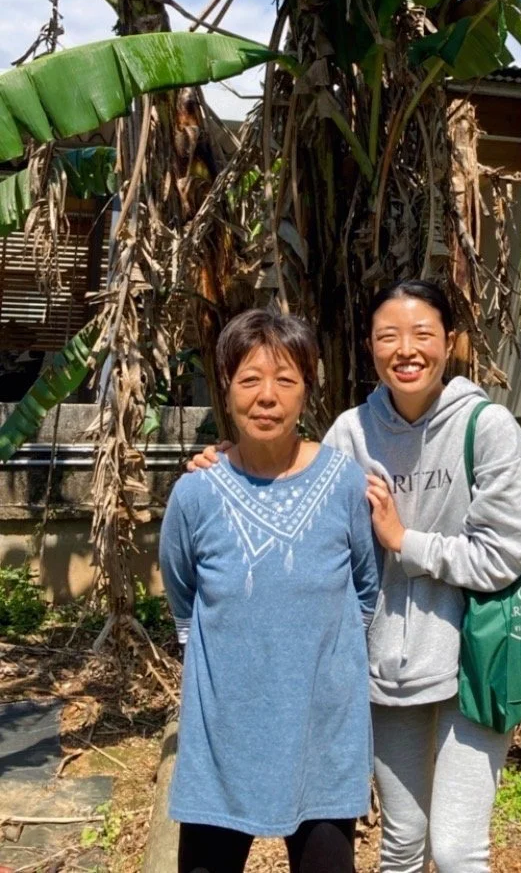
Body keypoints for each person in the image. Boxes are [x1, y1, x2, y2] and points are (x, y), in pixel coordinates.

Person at [189, 280, 521, 873]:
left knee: (456, 850)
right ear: (370, 348)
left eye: (423, 334)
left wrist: (406, 542)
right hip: (388, 667)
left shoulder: (489, 427)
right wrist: (231, 461)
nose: (407, 350)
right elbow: (301, 499)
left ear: (450, 343)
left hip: (478, 657)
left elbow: (503, 556)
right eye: (388, 337)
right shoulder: (351, 433)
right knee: (401, 842)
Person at [161, 308, 379, 873]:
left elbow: (365, 590)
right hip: (222, 742)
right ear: (225, 388)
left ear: (307, 391)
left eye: (285, 380)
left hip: (323, 736)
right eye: (250, 379)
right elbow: (184, 597)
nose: (267, 397)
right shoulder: (196, 494)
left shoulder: (343, 484)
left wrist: (313, 659)